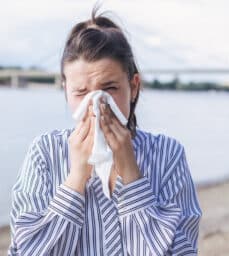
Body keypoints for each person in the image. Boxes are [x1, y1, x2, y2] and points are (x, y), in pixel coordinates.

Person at [8, 8, 202, 256]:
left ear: (133, 86)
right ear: (66, 90)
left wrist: (131, 174)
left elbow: (182, 251)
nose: (96, 103)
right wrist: (76, 177)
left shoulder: (168, 155)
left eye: (109, 88)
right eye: (81, 92)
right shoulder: (45, 153)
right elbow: (25, 251)